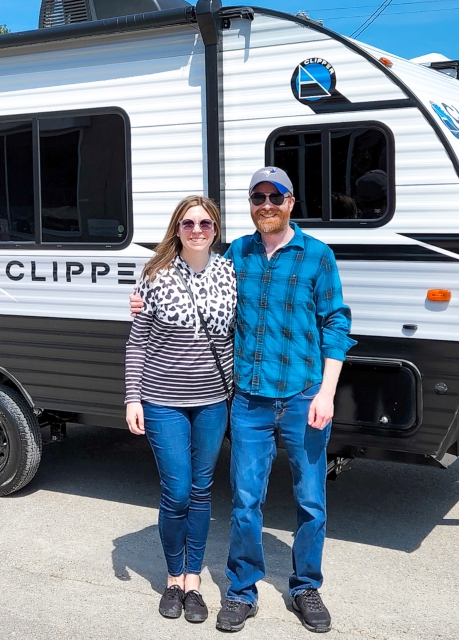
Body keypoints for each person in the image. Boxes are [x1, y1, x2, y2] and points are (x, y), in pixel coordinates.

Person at [130, 168, 355, 634]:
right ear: (250, 204)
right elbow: (190, 292)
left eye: (277, 195)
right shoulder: (237, 256)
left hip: (303, 396)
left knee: (311, 500)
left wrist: (327, 392)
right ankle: (241, 591)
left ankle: (305, 586)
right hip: (249, 401)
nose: (267, 203)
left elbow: (336, 324)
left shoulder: (317, 256)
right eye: (259, 196)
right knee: (245, 501)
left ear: (292, 202)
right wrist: (139, 300)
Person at [125, 195, 237, 624]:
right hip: (163, 401)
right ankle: (173, 578)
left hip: (213, 401)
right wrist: (132, 397)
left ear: (215, 230)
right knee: (177, 491)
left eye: (205, 224)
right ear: (176, 228)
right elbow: (137, 341)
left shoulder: (229, 272)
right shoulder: (155, 274)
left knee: (202, 490)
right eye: (188, 223)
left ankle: (194, 581)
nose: (196, 230)